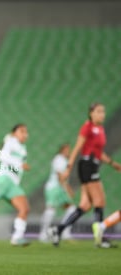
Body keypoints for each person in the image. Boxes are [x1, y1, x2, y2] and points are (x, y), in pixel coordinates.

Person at [48, 103, 121, 247]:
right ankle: (99, 238)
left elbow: (99, 154)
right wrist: (69, 168)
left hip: (93, 165)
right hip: (87, 166)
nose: (102, 114)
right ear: (91, 113)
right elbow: (77, 148)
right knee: (99, 201)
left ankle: (58, 230)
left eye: (103, 111)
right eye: (99, 111)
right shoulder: (87, 127)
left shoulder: (100, 129)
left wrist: (113, 164)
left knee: (85, 205)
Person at [38, 143, 76, 243]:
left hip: (60, 188)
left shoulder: (64, 160)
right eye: (67, 150)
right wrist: (68, 189)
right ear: (62, 150)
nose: (69, 152)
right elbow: (60, 177)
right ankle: (43, 234)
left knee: (72, 209)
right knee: (51, 209)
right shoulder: (58, 159)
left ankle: (64, 232)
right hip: (54, 188)